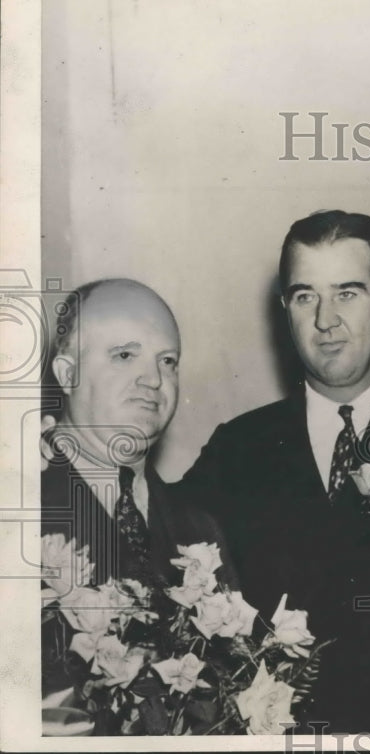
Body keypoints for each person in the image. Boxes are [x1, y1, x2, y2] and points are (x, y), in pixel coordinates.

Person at [177, 211, 370, 732]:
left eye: (347, 294)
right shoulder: (237, 450)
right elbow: (158, 539)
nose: (325, 320)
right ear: (284, 311)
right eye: (305, 296)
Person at [41, 279, 234, 693]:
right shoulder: (21, 503)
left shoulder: (201, 530)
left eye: (168, 361)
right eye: (125, 355)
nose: (154, 379)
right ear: (68, 374)